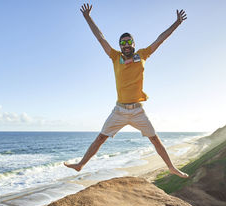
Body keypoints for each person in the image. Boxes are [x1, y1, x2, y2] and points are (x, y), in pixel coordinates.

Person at [65, 3, 189, 178]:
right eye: (123, 43)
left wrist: (176, 23)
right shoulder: (115, 57)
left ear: (133, 44)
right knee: (101, 138)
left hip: (138, 110)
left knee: (155, 139)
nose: (126, 45)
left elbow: (160, 39)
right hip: (120, 110)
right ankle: (80, 164)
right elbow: (100, 38)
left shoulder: (142, 55)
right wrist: (88, 18)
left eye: (129, 42)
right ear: (120, 46)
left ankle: (171, 167)